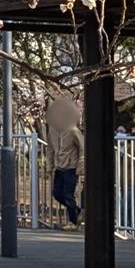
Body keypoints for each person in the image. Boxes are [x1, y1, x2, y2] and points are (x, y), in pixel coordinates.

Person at [46, 96, 84, 230]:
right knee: (57, 193)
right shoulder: (52, 131)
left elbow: (82, 148)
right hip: (59, 167)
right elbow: (50, 148)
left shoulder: (73, 131)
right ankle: (78, 211)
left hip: (71, 167)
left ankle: (73, 222)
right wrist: (49, 166)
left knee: (68, 195)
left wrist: (80, 166)